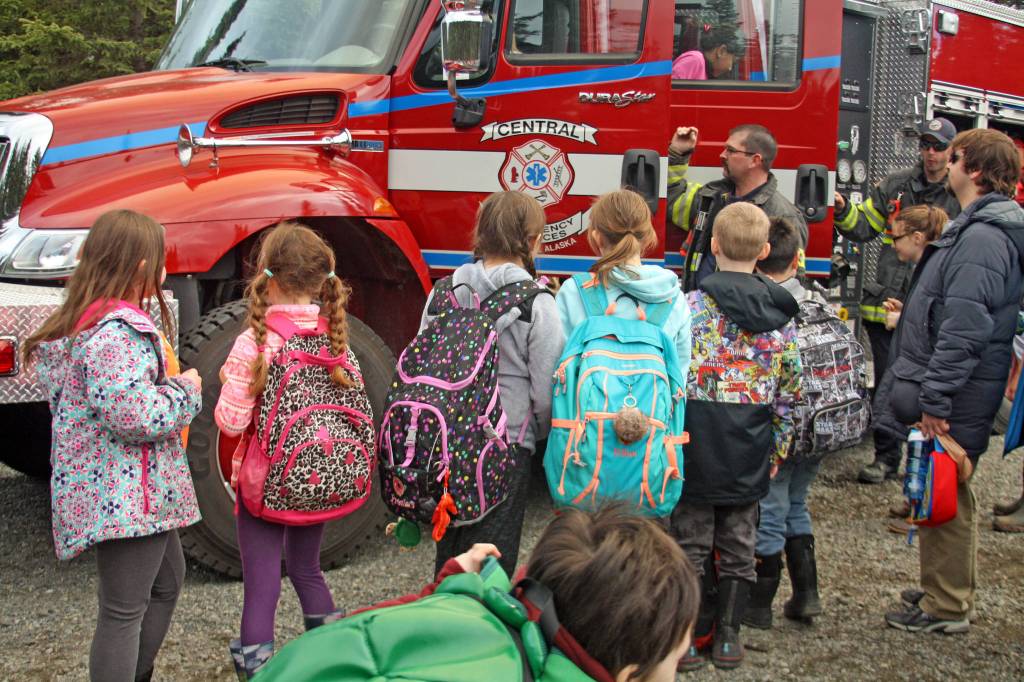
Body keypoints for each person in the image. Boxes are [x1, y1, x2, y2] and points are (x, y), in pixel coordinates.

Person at [24, 209, 203, 682]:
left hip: (135, 493)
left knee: (166, 582)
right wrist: (186, 389)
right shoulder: (115, 335)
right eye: (161, 260)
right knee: (123, 611)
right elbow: (135, 415)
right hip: (127, 498)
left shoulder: (90, 323)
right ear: (142, 266)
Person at [257, 506, 701, 682]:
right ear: (627, 676)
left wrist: (450, 593)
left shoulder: (473, 612)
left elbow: (360, 639)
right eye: (674, 665)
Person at [875, 128, 1024, 634]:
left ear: (975, 170)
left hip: (956, 397)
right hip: (955, 392)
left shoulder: (983, 238)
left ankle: (947, 606)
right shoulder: (977, 229)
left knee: (948, 497)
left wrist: (935, 398)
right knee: (937, 493)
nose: (945, 161)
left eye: (954, 155)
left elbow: (964, 330)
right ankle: (941, 590)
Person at [215, 222, 357, 676]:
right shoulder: (334, 337)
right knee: (307, 570)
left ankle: (258, 671)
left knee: (261, 584)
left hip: (264, 487)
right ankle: (331, 663)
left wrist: (228, 384)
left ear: (267, 276)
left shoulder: (256, 341)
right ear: (321, 281)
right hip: (317, 477)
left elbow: (230, 421)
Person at [670, 202, 801, 670]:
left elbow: (671, 376)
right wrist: (777, 450)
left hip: (696, 440)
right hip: (750, 441)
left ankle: (683, 637)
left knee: (689, 541)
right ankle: (728, 635)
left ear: (714, 245)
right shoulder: (782, 319)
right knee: (739, 541)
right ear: (765, 251)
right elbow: (790, 393)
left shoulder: (686, 308)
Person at [419, 191, 564, 577]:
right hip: (507, 438)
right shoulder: (536, 301)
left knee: (450, 545)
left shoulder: (442, 293)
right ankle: (485, 628)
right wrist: (538, 431)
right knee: (495, 554)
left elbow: (423, 363)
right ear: (533, 241)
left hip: (446, 440)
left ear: (478, 236)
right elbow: (546, 388)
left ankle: (444, 613)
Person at [834, 118, 961, 485]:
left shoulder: (957, 193)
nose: (931, 153)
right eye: (925, 145)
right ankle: (886, 458)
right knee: (892, 383)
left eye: (938, 146)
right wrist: (843, 209)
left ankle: (929, 468)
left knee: (930, 387)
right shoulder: (897, 186)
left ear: (951, 151)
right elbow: (864, 227)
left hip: (930, 308)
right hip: (888, 305)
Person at [743, 217, 827, 631]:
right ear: (798, 258)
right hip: (818, 424)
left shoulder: (764, 308)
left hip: (779, 426)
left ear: (759, 257)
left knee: (770, 507)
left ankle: (759, 607)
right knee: (797, 501)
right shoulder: (819, 301)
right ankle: (807, 593)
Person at [555, 189, 692, 399]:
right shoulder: (672, 297)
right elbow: (679, 376)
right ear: (648, 237)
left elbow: (557, 365)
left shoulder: (574, 291)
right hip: (652, 427)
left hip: (584, 427)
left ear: (596, 237)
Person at [667, 124, 808, 292]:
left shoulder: (784, 217)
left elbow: (790, 284)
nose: (722, 154)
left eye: (730, 150)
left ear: (755, 160)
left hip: (744, 316)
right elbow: (672, 198)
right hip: (700, 310)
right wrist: (678, 154)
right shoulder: (711, 197)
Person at [672, 23, 740, 80]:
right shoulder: (695, 60)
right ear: (722, 51)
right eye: (733, 61)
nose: (730, 68)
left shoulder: (707, 71)